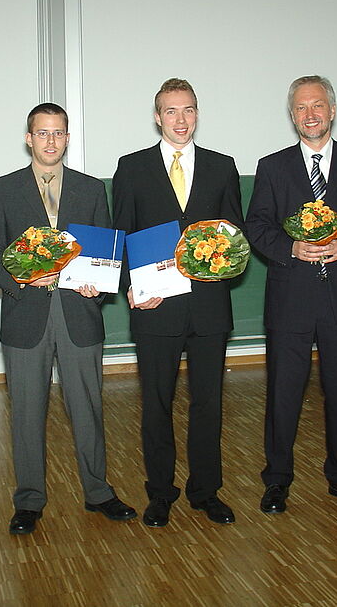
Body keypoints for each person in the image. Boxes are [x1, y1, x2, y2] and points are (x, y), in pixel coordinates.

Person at [0, 102, 136, 535]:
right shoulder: (4, 189)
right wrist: (20, 281)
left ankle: (98, 491)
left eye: (59, 133)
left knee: (88, 407)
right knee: (27, 412)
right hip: (25, 317)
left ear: (68, 138)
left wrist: (98, 285)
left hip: (78, 314)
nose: (51, 141)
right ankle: (29, 500)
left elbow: (108, 255)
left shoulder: (89, 190)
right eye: (42, 133)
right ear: (29, 138)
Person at [112, 78, 243, 528]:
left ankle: (206, 491)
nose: (180, 119)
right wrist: (134, 285)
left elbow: (235, 236)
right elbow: (122, 236)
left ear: (197, 113)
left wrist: (224, 260)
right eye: (171, 111)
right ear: (157, 116)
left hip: (209, 308)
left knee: (209, 404)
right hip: (156, 308)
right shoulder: (131, 168)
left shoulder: (223, 167)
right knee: (156, 403)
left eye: (188, 110)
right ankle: (161, 492)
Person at [246, 76, 337, 515]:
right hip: (291, 301)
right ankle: (277, 480)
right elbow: (257, 226)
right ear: (292, 115)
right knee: (283, 396)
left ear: (332, 110)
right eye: (301, 108)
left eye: (317, 105)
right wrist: (291, 247)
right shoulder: (273, 166)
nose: (310, 114)